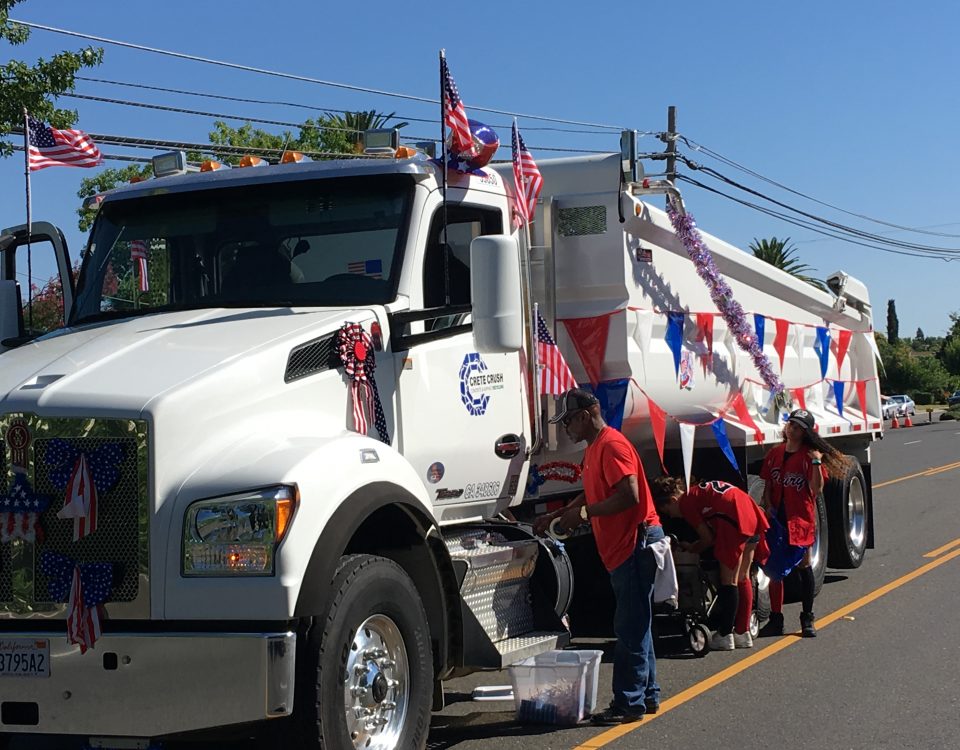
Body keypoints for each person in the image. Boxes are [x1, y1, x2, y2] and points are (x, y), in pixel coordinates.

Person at [532, 388, 663, 725]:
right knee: (637, 622)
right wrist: (560, 514)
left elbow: (630, 496)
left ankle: (628, 703)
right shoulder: (595, 449)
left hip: (635, 543)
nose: (565, 430)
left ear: (586, 415)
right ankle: (646, 695)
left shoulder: (612, 445)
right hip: (625, 546)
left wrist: (586, 515)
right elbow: (591, 492)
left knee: (630, 625)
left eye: (569, 421)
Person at [757, 408, 850, 638]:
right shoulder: (775, 454)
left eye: (798, 426)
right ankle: (775, 619)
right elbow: (768, 484)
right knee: (774, 567)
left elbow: (816, 489)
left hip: (800, 519)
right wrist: (768, 506)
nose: (792, 428)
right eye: (791, 424)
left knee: (803, 565)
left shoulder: (809, 456)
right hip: (777, 518)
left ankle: (807, 617)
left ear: (805, 432)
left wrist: (817, 464)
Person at [651, 477, 769, 650]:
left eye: (669, 511)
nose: (672, 516)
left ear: (674, 500)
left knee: (729, 580)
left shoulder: (686, 503)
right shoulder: (698, 491)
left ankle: (725, 633)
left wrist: (692, 548)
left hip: (734, 520)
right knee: (744, 576)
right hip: (750, 512)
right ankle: (743, 632)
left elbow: (707, 538)